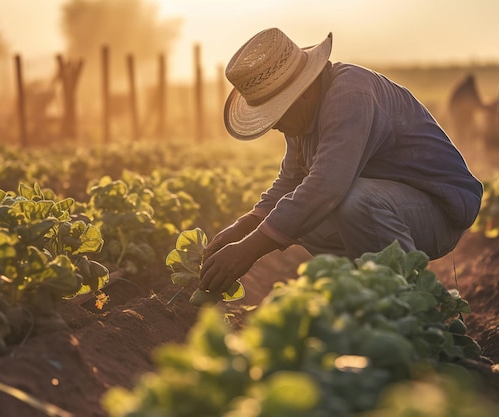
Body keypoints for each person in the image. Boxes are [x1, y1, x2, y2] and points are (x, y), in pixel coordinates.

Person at [198, 28, 483, 295]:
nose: (275, 126)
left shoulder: (350, 94)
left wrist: (247, 251)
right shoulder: (302, 116)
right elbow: (291, 180)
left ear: (304, 91)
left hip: (438, 213)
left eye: (277, 114)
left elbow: (327, 185)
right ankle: (364, 297)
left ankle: (410, 304)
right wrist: (241, 228)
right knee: (303, 218)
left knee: (352, 201)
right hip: (396, 206)